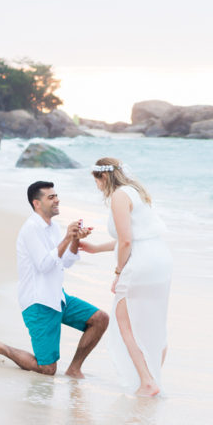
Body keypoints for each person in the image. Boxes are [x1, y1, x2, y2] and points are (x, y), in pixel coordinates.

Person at [0, 181, 109, 378]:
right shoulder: (30, 229)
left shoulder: (53, 227)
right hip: (38, 302)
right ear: (37, 203)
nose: (57, 200)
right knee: (47, 369)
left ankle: (74, 368)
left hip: (57, 297)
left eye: (56, 196)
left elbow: (66, 262)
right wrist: (67, 238)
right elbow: (44, 265)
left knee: (100, 319)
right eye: (51, 197)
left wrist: (74, 239)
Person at [80, 158, 172, 396]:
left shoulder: (119, 196)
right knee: (154, 320)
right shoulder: (137, 192)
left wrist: (119, 273)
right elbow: (131, 237)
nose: (98, 187)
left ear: (103, 177)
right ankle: (153, 377)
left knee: (125, 323)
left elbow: (128, 242)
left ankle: (147, 382)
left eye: (97, 182)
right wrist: (95, 248)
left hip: (141, 262)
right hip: (160, 258)